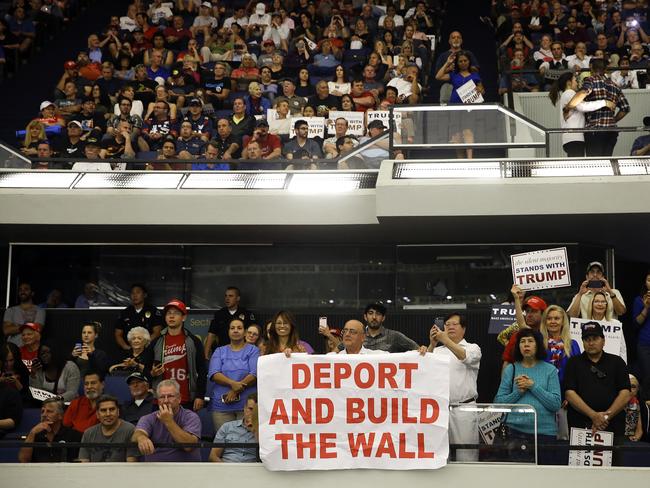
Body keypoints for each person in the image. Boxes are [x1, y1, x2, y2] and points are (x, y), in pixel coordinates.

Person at [564, 321, 631, 465]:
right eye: (587, 339)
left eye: (595, 338)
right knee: (580, 475)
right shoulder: (573, 363)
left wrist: (605, 416)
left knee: (614, 472)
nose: (591, 343)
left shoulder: (617, 362)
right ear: (582, 342)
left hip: (613, 426)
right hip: (581, 427)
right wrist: (594, 416)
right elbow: (569, 393)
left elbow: (626, 393)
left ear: (603, 340)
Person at [494, 329, 561, 463]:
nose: (526, 344)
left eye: (530, 341)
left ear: (538, 345)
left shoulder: (550, 370)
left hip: (545, 435)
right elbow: (498, 403)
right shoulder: (511, 369)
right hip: (514, 434)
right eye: (522, 342)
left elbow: (555, 404)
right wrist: (518, 392)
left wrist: (533, 386)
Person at [427, 313, 481, 461]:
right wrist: (432, 345)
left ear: (463, 328)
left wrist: (445, 340)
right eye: (447, 324)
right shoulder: (437, 351)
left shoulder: (472, 347)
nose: (450, 327)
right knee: (440, 455)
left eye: (454, 324)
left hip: (464, 409)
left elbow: (465, 357)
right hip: (440, 409)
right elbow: (424, 371)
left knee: (467, 454)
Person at [149, 299, 206, 411]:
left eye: (176, 313)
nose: (171, 316)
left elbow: (202, 371)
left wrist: (200, 396)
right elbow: (145, 368)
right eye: (169, 313)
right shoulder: (157, 341)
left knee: (184, 429)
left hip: (186, 398)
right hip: (161, 399)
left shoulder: (193, 341)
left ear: (184, 317)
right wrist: (152, 373)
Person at [568, 58, 630, 157]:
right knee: (606, 162)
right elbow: (626, 108)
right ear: (605, 70)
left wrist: (569, 106)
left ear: (591, 69)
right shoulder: (615, 86)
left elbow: (583, 93)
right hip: (611, 131)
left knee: (595, 163)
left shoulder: (590, 80)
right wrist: (612, 120)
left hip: (595, 129)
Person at [208, 318, 259, 433]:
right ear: (228, 331)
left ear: (245, 332)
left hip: (246, 406)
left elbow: (254, 374)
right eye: (232, 328)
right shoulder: (219, 351)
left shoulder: (253, 350)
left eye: (239, 328)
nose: (235, 330)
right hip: (221, 406)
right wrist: (233, 384)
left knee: (247, 443)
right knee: (224, 443)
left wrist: (235, 391)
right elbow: (214, 373)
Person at [132, 379, 202, 462]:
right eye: (162, 397)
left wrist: (168, 421)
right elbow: (137, 434)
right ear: (158, 400)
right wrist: (141, 438)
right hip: (155, 470)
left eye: (170, 396)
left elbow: (188, 446)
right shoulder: (148, 418)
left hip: (185, 470)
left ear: (179, 398)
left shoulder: (190, 417)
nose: (165, 401)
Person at [548, 72, 615, 157]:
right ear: (569, 82)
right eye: (575, 80)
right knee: (576, 166)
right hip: (574, 137)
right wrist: (604, 102)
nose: (577, 83)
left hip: (573, 138)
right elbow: (582, 106)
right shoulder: (569, 93)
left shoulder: (566, 94)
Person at [18, 398, 82, 463]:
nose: (44, 415)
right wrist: (32, 433)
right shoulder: (35, 435)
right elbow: (23, 460)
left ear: (60, 415)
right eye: (42, 411)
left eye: (49, 411)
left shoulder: (74, 436)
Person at [78, 395, 139, 462]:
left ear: (118, 412)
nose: (108, 414)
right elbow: (84, 464)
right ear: (97, 414)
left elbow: (131, 465)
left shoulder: (130, 430)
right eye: (103, 410)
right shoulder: (88, 433)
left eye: (112, 409)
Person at [205, 287, 256, 360]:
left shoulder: (246, 314)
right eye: (226, 296)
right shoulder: (219, 314)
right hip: (223, 352)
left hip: (242, 353)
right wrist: (206, 355)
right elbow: (211, 335)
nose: (227, 298)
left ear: (238, 298)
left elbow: (253, 334)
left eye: (231, 296)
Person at [209, 393, 258, 463]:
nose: (252, 413)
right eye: (250, 409)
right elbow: (213, 456)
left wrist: (255, 429)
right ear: (244, 408)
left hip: (252, 469)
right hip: (227, 466)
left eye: (256, 411)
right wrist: (227, 470)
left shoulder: (263, 430)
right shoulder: (227, 427)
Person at [115, 283, 163, 353]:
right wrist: (126, 347)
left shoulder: (153, 311)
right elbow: (118, 334)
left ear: (145, 295)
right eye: (132, 293)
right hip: (129, 351)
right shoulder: (125, 312)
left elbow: (157, 332)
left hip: (148, 350)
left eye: (138, 292)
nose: (135, 295)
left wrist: (142, 345)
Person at [3, 282, 45, 346]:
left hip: (30, 348)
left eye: (26, 289)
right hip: (12, 349)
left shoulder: (40, 310)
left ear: (32, 293)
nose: (22, 291)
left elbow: (38, 328)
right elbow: (6, 330)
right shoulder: (10, 310)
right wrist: (29, 325)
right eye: (20, 290)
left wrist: (15, 326)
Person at [632, 270, 650, 393]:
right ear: (645, 283)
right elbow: (636, 324)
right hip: (645, 343)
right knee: (648, 373)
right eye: (649, 280)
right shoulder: (639, 300)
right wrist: (646, 307)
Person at [625, 374, 643, 442]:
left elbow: (639, 430)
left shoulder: (635, 403)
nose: (630, 389)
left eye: (633, 387)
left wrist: (635, 438)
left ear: (637, 390)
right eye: (627, 386)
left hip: (630, 441)